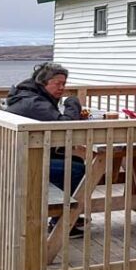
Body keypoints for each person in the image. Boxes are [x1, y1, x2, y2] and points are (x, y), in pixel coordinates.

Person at [5, 62, 86, 236]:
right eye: (58, 84)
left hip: (20, 155)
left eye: (64, 84)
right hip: (19, 163)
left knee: (76, 161)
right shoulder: (34, 103)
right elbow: (66, 127)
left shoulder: (30, 96)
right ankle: (62, 222)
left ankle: (68, 214)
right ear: (43, 83)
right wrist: (73, 102)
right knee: (76, 169)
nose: (62, 88)